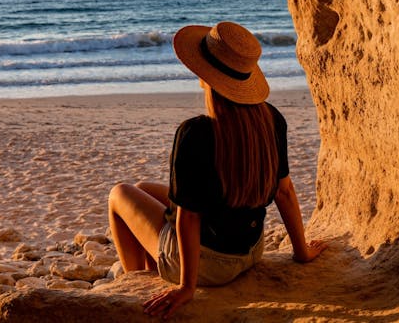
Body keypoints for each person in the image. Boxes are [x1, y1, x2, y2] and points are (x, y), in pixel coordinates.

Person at [108, 21, 326, 318]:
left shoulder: (195, 132)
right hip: (251, 250)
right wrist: (301, 252)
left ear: (205, 77)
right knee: (144, 189)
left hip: (211, 264)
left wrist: (187, 288)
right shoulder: (271, 119)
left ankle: (134, 282)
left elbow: (188, 217)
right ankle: (151, 267)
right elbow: (284, 191)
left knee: (119, 194)